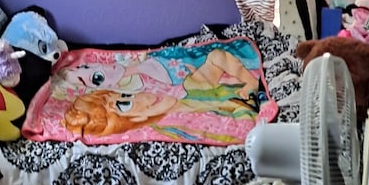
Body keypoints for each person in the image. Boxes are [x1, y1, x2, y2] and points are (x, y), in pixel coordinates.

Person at [63, 47, 261, 137]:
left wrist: (249, 82)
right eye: (125, 104)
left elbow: (218, 56)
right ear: (139, 118)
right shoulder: (188, 125)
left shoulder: (192, 87)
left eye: (124, 94)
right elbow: (245, 129)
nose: (135, 95)